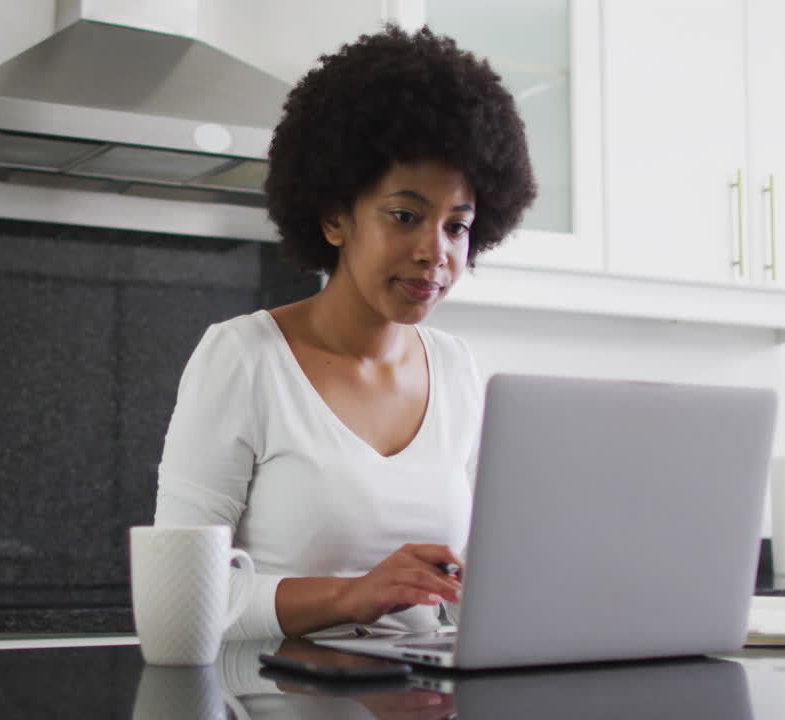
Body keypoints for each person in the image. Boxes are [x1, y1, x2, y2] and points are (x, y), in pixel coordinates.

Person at [154, 25, 536, 640]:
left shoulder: (457, 369)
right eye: (406, 216)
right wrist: (352, 596)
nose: (434, 252)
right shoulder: (244, 358)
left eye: (457, 226)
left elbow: (475, 580)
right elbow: (175, 600)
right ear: (335, 215)